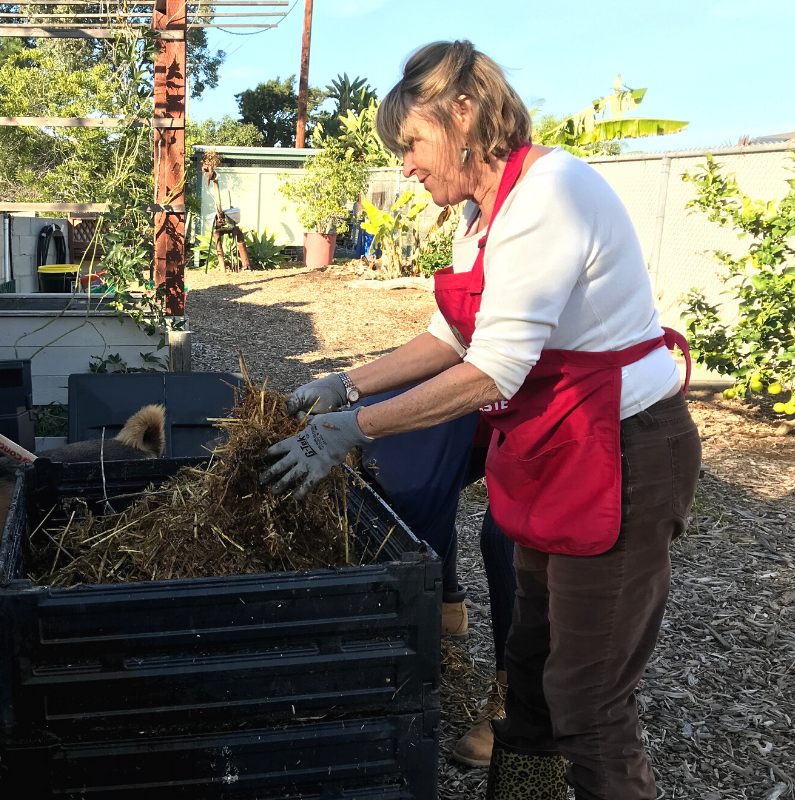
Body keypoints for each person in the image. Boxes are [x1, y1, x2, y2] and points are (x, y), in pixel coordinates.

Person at [263, 40, 700, 800]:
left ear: (462, 113)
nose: (404, 165)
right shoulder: (480, 217)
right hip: (557, 449)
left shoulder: (549, 195)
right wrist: (344, 383)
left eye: (410, 143)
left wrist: (357, 429)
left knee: (588, 704)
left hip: (622, 456)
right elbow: (452, 337)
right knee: (531, 673)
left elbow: (494, 368)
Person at [356, 390, 515, 766]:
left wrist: (362, 420)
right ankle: (445, 602)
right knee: (396, 466)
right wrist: (348, 390)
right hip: (490, 398)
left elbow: (492, 361)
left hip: (569, 401)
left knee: (505, 535)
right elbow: (450, 340)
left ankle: (519, 698)